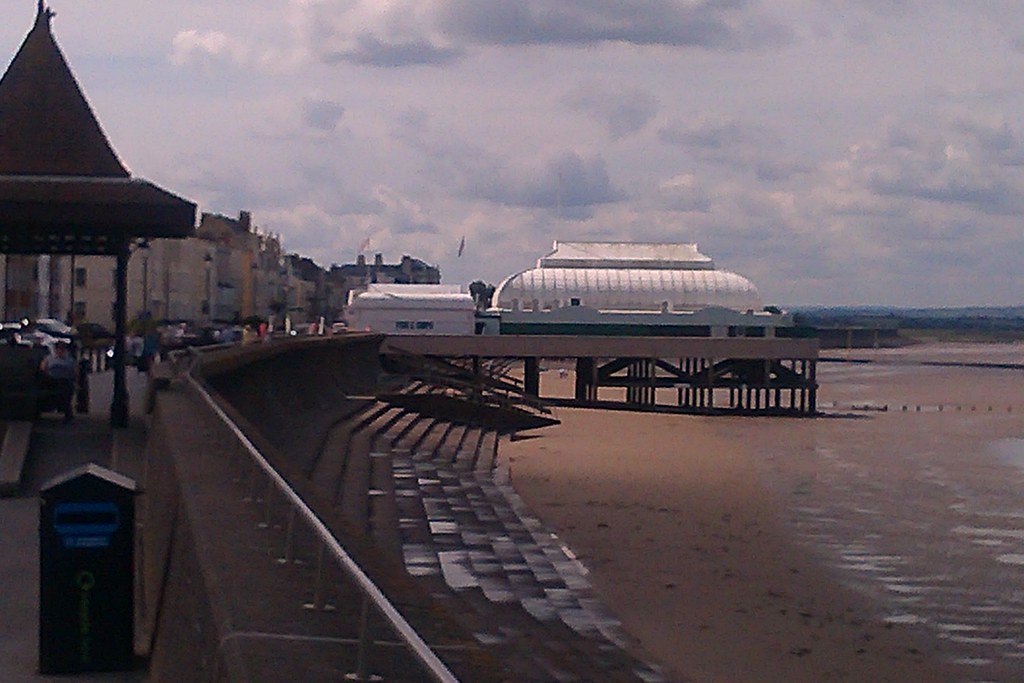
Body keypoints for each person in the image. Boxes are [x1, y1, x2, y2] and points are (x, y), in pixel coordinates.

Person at [40, 341, 76, 422]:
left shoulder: (69, 359)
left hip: (65, 381)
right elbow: (43, 368)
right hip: (52, 381)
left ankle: (68, 414)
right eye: (59, 348)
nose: (60, 350)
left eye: (62, 348)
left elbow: (74, 371)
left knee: (66, 395)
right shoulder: (49, 358)